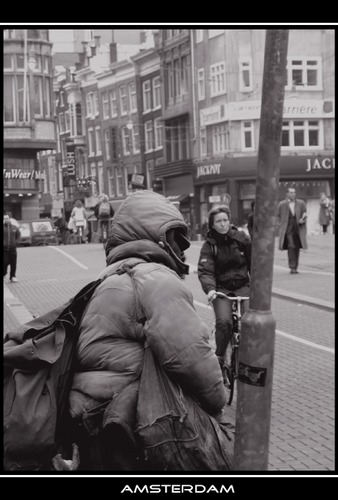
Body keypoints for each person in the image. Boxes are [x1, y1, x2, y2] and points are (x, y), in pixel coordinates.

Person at [67, 190, 229, 470]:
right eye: (176, 240)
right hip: (134, 423)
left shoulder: (108, 277)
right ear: (159, 237)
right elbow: (190, 356)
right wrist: (218, 406)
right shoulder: (154, 278)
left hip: (92, 413)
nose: (181, 251)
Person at [197, 205, 251, 373]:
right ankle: (219, 356)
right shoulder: (209, 246)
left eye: (225, 220)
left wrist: (258, 284)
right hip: (221, 290)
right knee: (224, 323)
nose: (222, 224)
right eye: (218, 221)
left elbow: (255, 263)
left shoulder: (242, 239)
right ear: (212, 225)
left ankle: (249, 357)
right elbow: (206, 271)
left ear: (230, 221)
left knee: (251, 322)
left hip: (243, 287)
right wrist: (211, 290)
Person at [277, 187, 307, 274]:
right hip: (288, 229)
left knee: (297, 248)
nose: (293, 194)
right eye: (291, 192)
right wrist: (280, 225)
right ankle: (292, 267)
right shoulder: (282, 204)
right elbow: (277, 216)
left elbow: (305, 213)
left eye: (294, 192)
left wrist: (303, 219)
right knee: (291, 246)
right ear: (287, 194)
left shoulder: (301, 203)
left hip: (298, 228)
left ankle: (295, 267)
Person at [4, 212, 21, 283]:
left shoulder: (15, 228)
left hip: (13, 249)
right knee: (4, 262)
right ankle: (4, 274)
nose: (6, 220)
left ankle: (13, 276)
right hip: (4, 249)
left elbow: (18, 236)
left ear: (10, 219)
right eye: (5, 219)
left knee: (13, 263)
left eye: (7, 218)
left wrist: (16, 242)